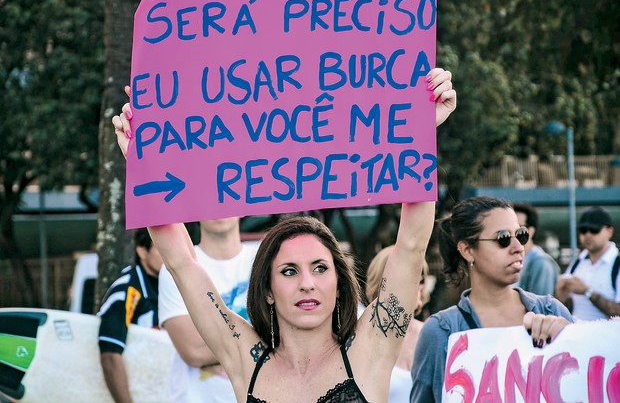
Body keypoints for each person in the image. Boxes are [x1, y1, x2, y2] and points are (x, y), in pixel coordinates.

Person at [113, 67, 456, 402]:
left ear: (339, 285)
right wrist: (144, 164)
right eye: (289, 271)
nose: (307, 282)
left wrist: (420, 130)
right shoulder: (245, 359)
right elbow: (182, 263)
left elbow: (410, 246)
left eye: (320, 268)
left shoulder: (373, 347)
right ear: (268, 291)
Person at [409, 196, 573, 403]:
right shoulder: (441, 332)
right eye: (503, 239)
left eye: (520, 235)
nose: (518, 248)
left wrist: (568, 337)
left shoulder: (551, 311)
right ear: (468, 250)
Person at [158, 218, 259, 402]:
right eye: (211, 198)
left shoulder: (264, 260)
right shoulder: (174, 269)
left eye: (229, 194)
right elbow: (194, 352)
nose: (219, 209)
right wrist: (265, 344)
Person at [98, 228, 163, 403]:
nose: (170, 253)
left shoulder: (174, 284)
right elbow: (110, 356)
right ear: (142, 250)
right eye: (162, 247)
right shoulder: (126, 290)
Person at [365, 246, 432, 403]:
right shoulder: (361, 339)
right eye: (408, 276)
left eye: (421, 278)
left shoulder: (433, 333)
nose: (418, 284)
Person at [555, 206, 619, 321]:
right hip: (576, 334)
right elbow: (572, 308)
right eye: (584, 230)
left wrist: (587, 292)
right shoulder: (578, 262)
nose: (588, 235)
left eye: (594, 230)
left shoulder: (617, 265)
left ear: (609, 232)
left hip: (606, 337)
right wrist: (562, 297)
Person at [512, 202, 560, 295]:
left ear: (531, 231)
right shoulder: (514, 258)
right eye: (509, 228)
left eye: (519, 228)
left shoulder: (541, 263)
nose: (513, 233)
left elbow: (540, 306)